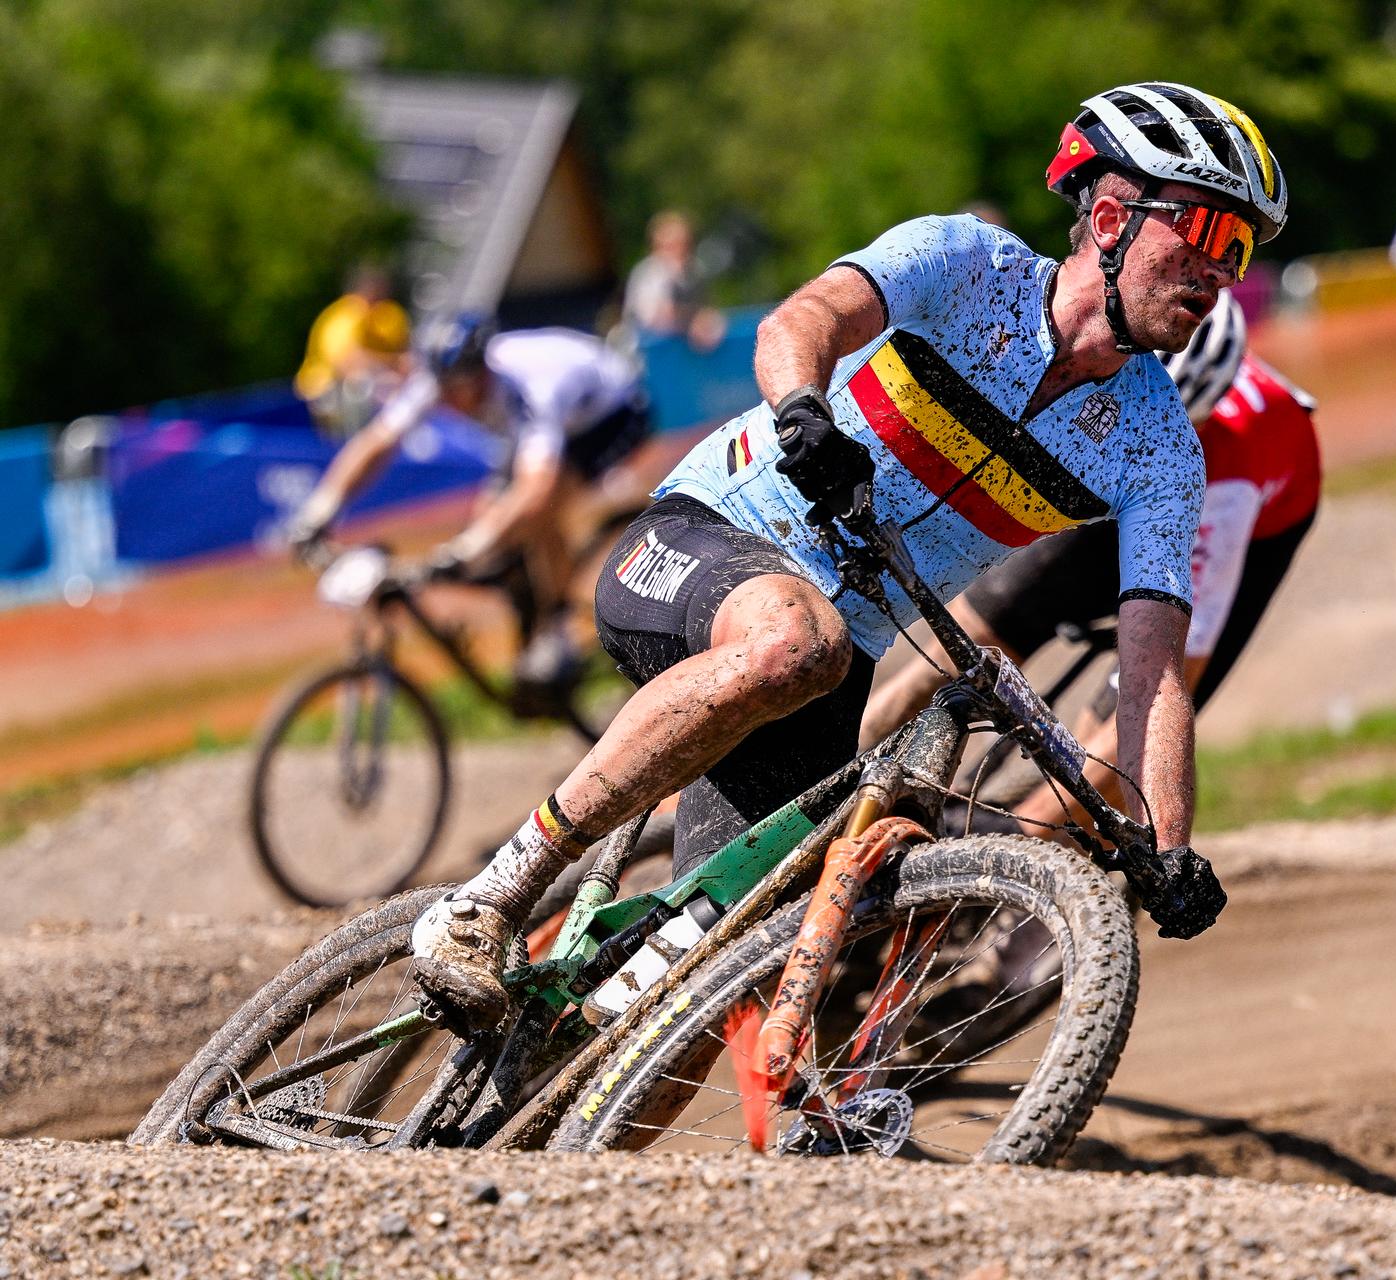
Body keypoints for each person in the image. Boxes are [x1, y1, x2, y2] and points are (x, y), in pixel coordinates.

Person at [408, 80, 1290, 1028]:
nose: (1219, 270)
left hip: (831, 668)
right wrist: (802, 412)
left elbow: (1154, 671)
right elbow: (804, 322)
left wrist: (1170, 843)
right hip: (710, 536)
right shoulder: (967, 262)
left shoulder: (1160, 447)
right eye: (1202, 231)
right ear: (1110, 217)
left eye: (1238, 251)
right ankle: (489, 898)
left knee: (714, 999)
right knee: (801, 641)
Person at [860, 291, 1321, 839]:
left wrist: (1015, 839)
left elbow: (1167, 686)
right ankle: (826, 788)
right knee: (961, 645)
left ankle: (1027, 852)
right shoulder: (1107, 360)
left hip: (1251, 524)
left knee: (1135, 723)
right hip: (1123, 489)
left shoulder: (1233, 474)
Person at [285, 313, 653, 696]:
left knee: (539, 511)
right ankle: (527, 607)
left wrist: (467, 548)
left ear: (482, 376)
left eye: (458, 392)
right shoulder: (439, 379)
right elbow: (376, 444)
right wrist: (319, 511)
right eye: (443, 392)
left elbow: (536, 490)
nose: (450, 403)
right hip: (531, 430)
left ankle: (556, 626)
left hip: (611, 412)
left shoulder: (531, 386)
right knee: (492, 522)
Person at [294, 266, 413, 438]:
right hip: (323, 391)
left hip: (357, 391)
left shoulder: (386, 316)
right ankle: (354, 444)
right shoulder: (346, 314)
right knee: (360, 384)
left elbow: (406, 355)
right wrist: (391, 367)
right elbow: (346, 361)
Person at [623, 210, 726, 350]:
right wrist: (692, 321)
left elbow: (707, 310)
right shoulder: (648, 274)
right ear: (657, 246)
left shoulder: (695, 271)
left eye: (684, 244)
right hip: (646, 354)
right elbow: (654, 317)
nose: (680, 251)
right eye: (672, 245)